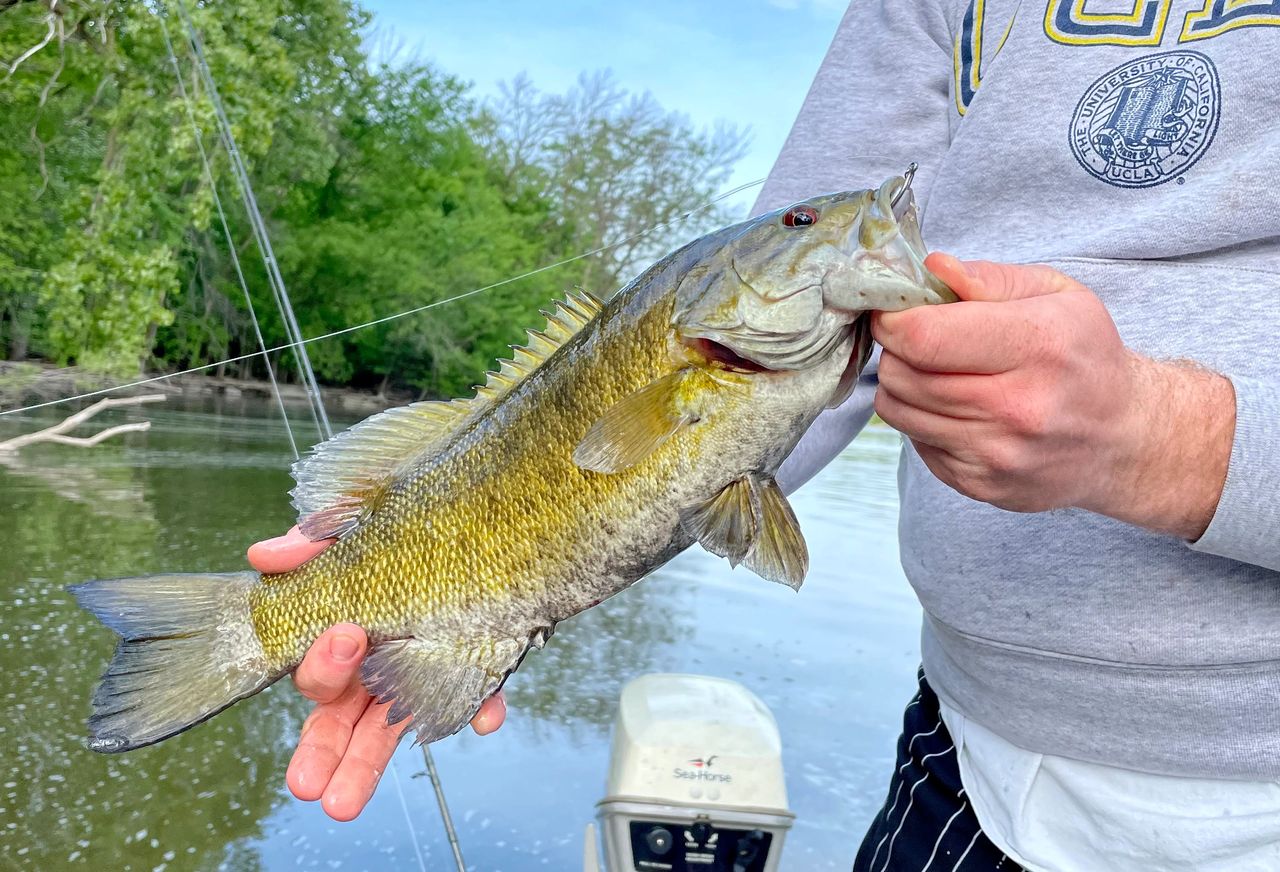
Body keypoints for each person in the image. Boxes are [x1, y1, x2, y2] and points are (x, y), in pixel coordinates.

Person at [253, 1, 1280, 867]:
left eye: (803, 228)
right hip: (957, 765)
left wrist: (1171, 440)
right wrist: (462, 594)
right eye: (796, 230)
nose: (832, 225)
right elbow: (734, 416)